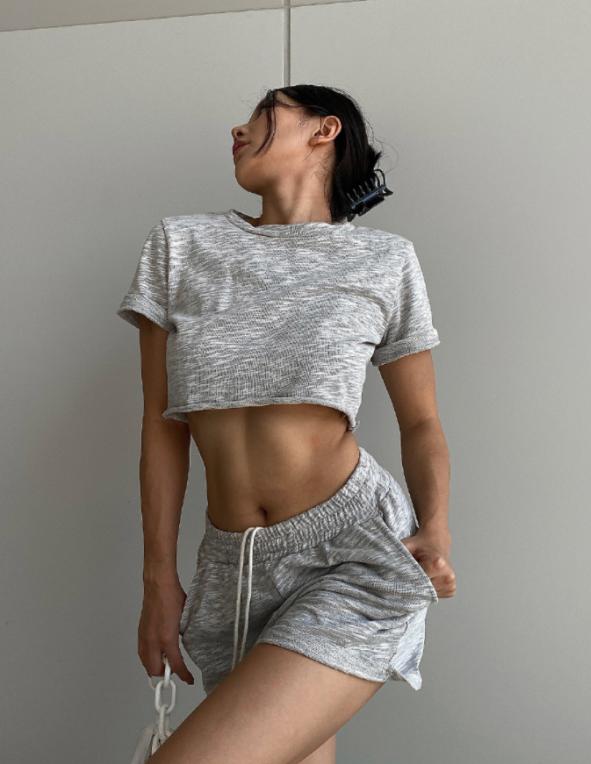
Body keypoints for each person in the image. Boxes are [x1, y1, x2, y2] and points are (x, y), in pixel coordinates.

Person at [116, 85, 455, 764]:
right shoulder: (180, 245)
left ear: (324, 130)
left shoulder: (384, 260)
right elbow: (161, 424)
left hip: (352, 553)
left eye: (261, 114)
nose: (236, 130)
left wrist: (436, 528)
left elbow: (421, 421)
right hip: (231, 567)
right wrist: (158, 578)